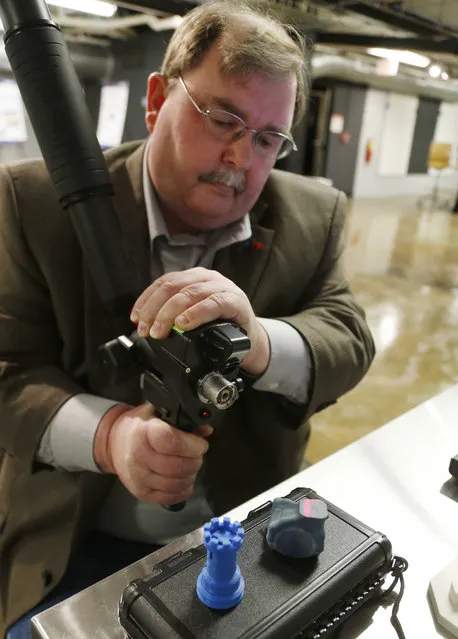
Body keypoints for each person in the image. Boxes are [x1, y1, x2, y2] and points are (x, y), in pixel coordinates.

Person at [0, 1, 375, 636]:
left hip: (250, 529)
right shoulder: (33, 204)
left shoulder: (316, 215)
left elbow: (348, 334)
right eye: (223, 119)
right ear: (155, 99)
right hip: (77, 543)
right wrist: (111, 436)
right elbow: (8, 373)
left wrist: (258, 341)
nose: (240, 158)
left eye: (266, 139)